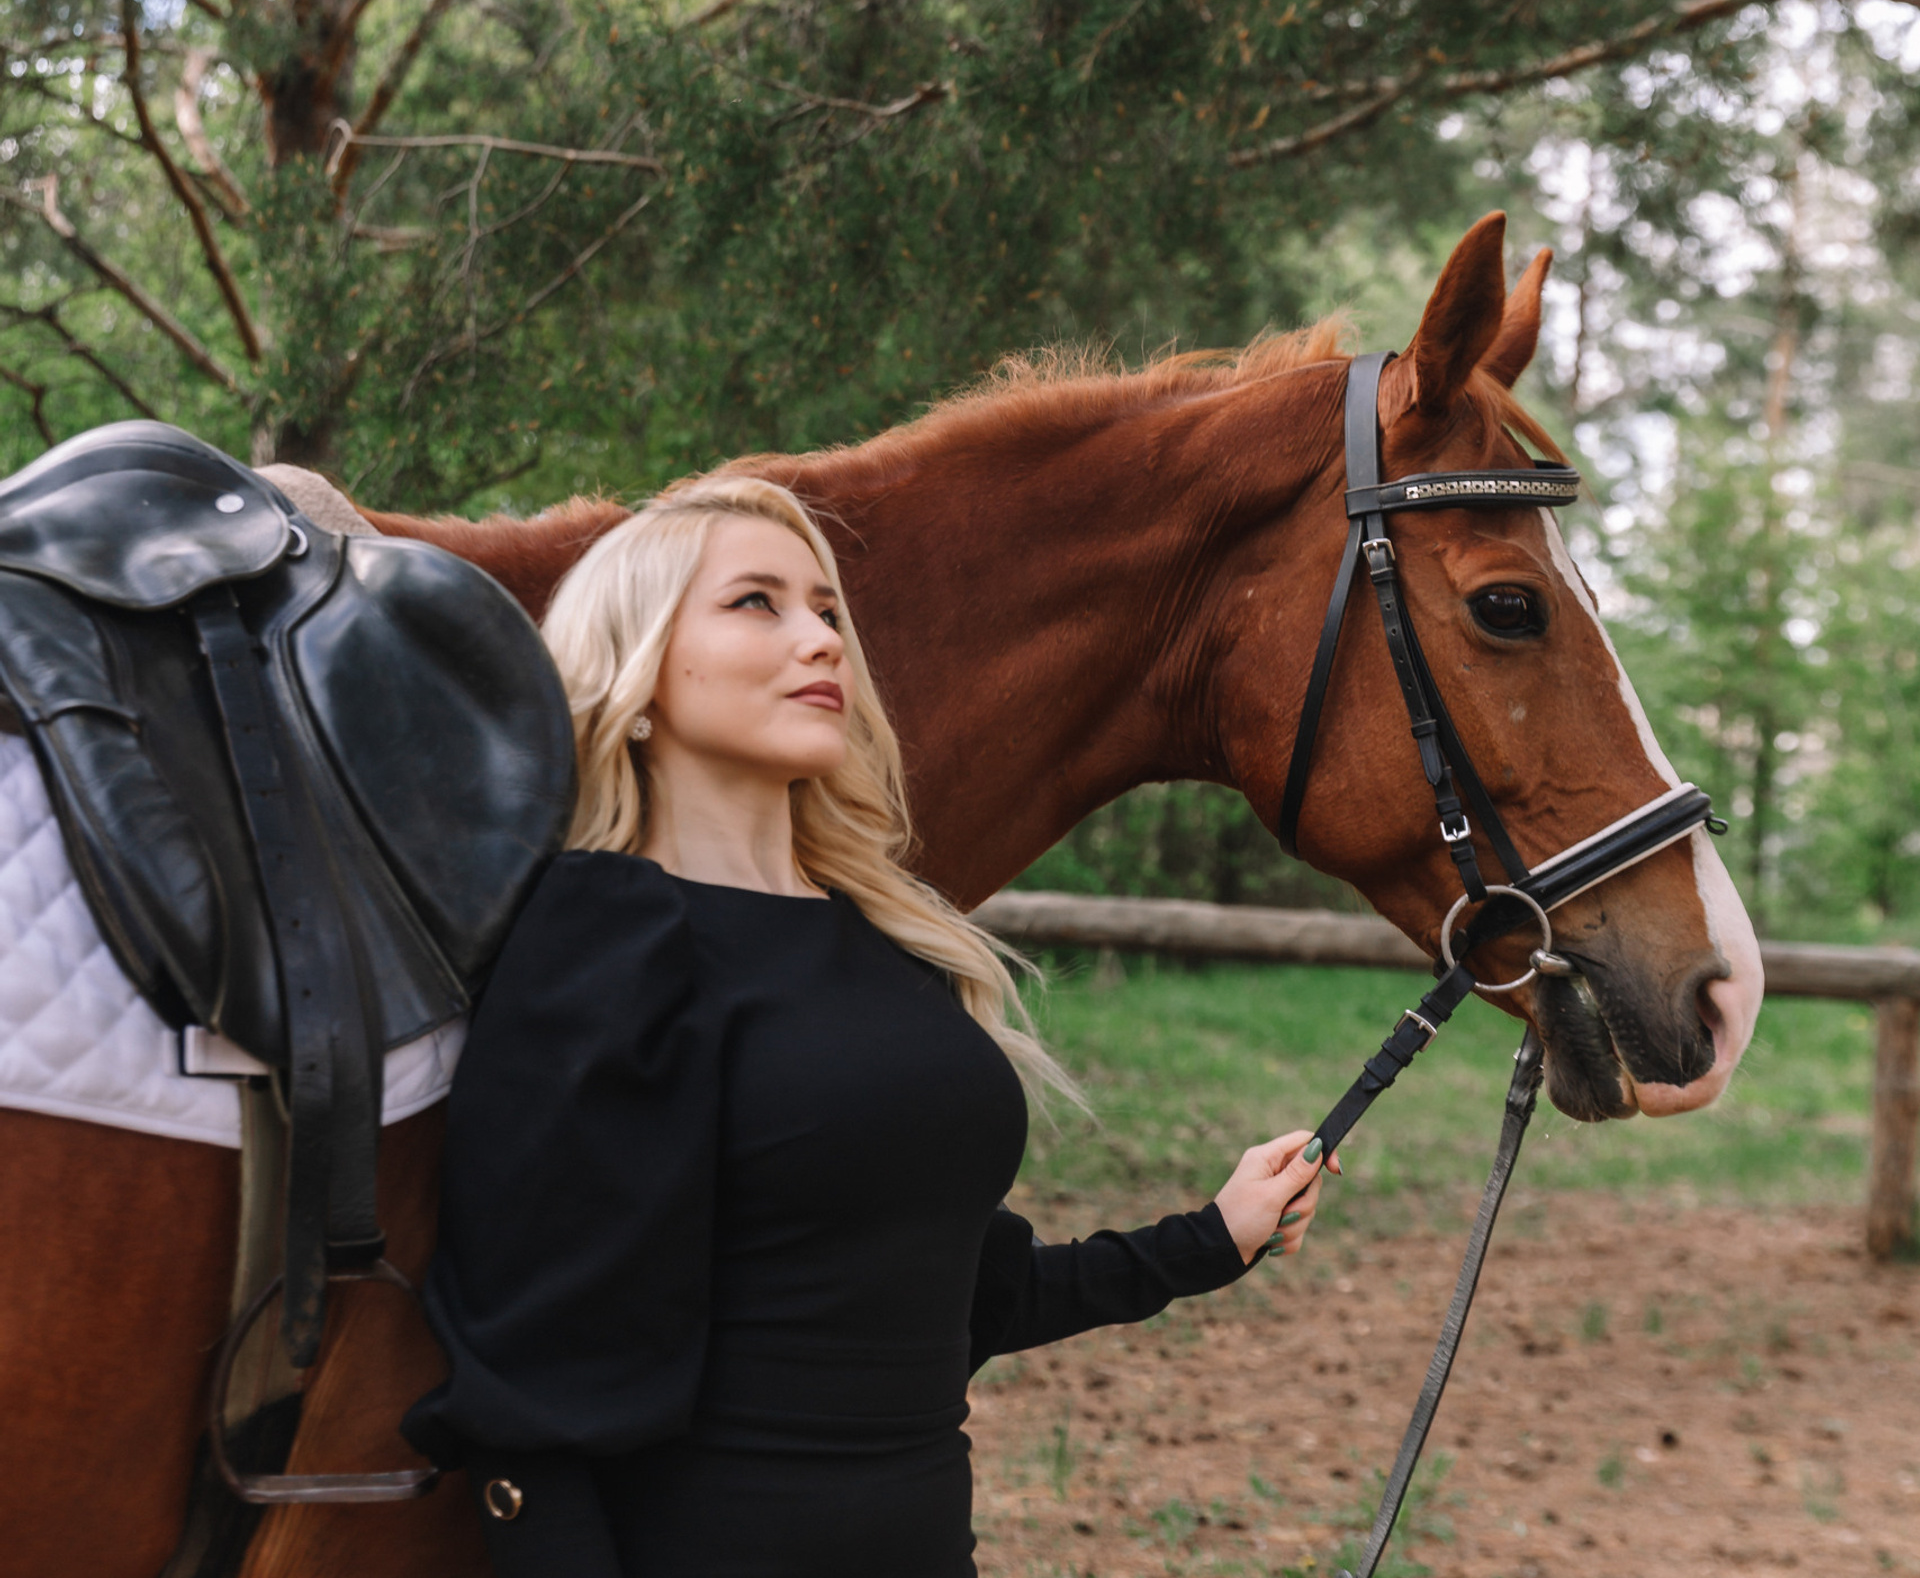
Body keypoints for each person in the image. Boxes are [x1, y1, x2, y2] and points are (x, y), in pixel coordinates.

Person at [403, 474, 1336, 1577]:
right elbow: (532, 1401)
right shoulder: (597, 942)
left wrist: (1211, 1237)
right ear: (639, 669)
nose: (822, 640)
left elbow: (955, 1294)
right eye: (756, 602)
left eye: (828, 611)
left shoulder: (890, 943)